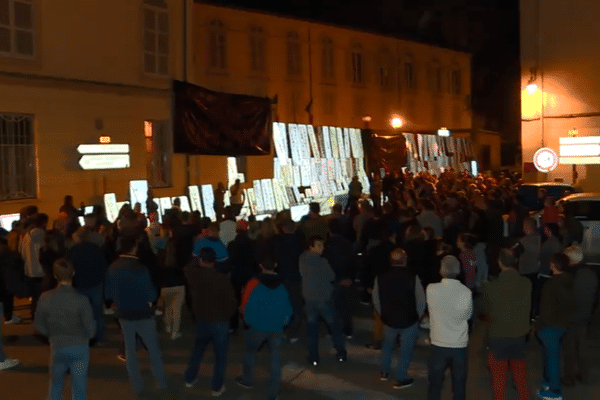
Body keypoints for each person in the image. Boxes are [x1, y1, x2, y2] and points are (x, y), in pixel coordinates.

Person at [105, 235, 167, 395]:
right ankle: (161, 382)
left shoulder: (112, 267)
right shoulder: (140, 268)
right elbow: (151, 295)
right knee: (153, 349)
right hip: (143, 314)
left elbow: (108, 293)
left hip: (124, 315)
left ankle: (137, 385)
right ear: (134, 248)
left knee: (130, 351)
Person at [35, 258, 95, 400]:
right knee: (79, 387)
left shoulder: (45, 297)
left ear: (55, 275)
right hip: (80, 347)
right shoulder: (81, 300)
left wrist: (52, 335)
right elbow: (91, 331)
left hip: (58, 346)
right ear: (73, 273)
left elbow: (38, 325)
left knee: (55, 384)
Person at [236, 257, 292, 400]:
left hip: (258, 327)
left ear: (261, 266)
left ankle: (247, 380)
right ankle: (273, 392)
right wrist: (283, 321)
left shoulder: (257, 286)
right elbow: (288, 309)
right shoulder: (282, 286)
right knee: (275, 358)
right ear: (276, 265)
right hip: (277, 327)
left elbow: (249, 307)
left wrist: (248, 321)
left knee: (251, 352)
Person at [183, 247, 237, 397]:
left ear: (200, 260)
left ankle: (190, 377)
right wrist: (226, 316)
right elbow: (232, 303)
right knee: (220, 356)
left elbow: (187, 267)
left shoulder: (194, 276)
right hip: (220, 321)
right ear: (215, 261)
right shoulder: (222, 279)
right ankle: (216, 387)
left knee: (198, 351)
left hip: (201, 320)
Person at [480, 248, 532, 400]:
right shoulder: (526, 283)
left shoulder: (490, 287)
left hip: (498, 336)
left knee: (499, 380)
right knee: (520, 376)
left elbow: (486, 311)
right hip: (519, 335)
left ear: (499, 262)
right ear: (516, 261)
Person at [373, 248, 425, 389]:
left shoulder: (381, 277)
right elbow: (420, 299)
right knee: (405, 350)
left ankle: (384, 372)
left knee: (388, 346)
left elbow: (376, 299)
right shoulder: (412, 276)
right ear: (405, 259)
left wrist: (381, 314)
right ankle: (401, 378)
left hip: (388, 319)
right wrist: (418, 316)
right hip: (409, 320)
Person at [427, 255, 473, 400]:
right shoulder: (466, 292)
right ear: (458, 270)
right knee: (459, 385)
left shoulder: (431, 289)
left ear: (441, 270)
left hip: (438, 343)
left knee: (435, 385)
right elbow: (467, 316)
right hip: (458, 345)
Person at [299, 236, 347, 365]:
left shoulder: (302, 259)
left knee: (312, 330)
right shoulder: (322, 261)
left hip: (309, 299)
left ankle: (314, 357)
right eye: (319, 245)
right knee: (334, 327)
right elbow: (332, 276)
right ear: (311, 246)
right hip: (324, 298)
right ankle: (341, 353)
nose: (322, 248)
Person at [535, 253, 575, 400]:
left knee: (552, 358)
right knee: (550, 355)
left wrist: (538, 326)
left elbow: (546, 310)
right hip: (564, 324)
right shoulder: (570, 280)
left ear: (553, 265)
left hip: (551, 326)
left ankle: (554, 391)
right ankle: (548, 381)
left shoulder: (551, 284)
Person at [563, 246, 596, 386]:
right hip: (586, 315)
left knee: (569, 348)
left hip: (571, 317)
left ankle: (569, 378)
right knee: (583, 346)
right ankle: (584, 375)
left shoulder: (570, 275)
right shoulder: (591, 274)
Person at [68, 227, 108, 344]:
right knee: (97, 313)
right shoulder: (96, 249)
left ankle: (83, 337)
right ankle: (98, 337)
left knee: (80, 313)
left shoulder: (73, 250)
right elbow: (103, 266)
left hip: (79, 284)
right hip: (95, 284)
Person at [272, 219, 305, 343]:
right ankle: (295, 331)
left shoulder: (278, 241)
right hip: (296, 276)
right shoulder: (299, 241)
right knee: (296, 305)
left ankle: (284, 329)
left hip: (283, 276)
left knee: (284, 304)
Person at [20, 212, 48, 319]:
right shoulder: (41, 233)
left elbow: (22, 253)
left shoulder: (27, 235)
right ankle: (39, 315)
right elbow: (43, 250)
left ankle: (34, 314)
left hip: (29, 269)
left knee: (35, 295)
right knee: (41, 294)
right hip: (39, 269)